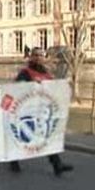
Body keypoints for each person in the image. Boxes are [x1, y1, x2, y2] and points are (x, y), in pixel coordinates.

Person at [9, 47, 74, 176]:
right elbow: (16, 88)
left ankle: (57, 164)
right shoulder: (25, 72)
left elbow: (52, 90)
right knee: (23, 136)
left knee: (47, 136)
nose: (39, 58)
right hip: (28, 110)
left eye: (41, 55)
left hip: (42, 110)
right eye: (36, 55)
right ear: (31, 57)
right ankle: (13, 159)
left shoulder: (47, 74)